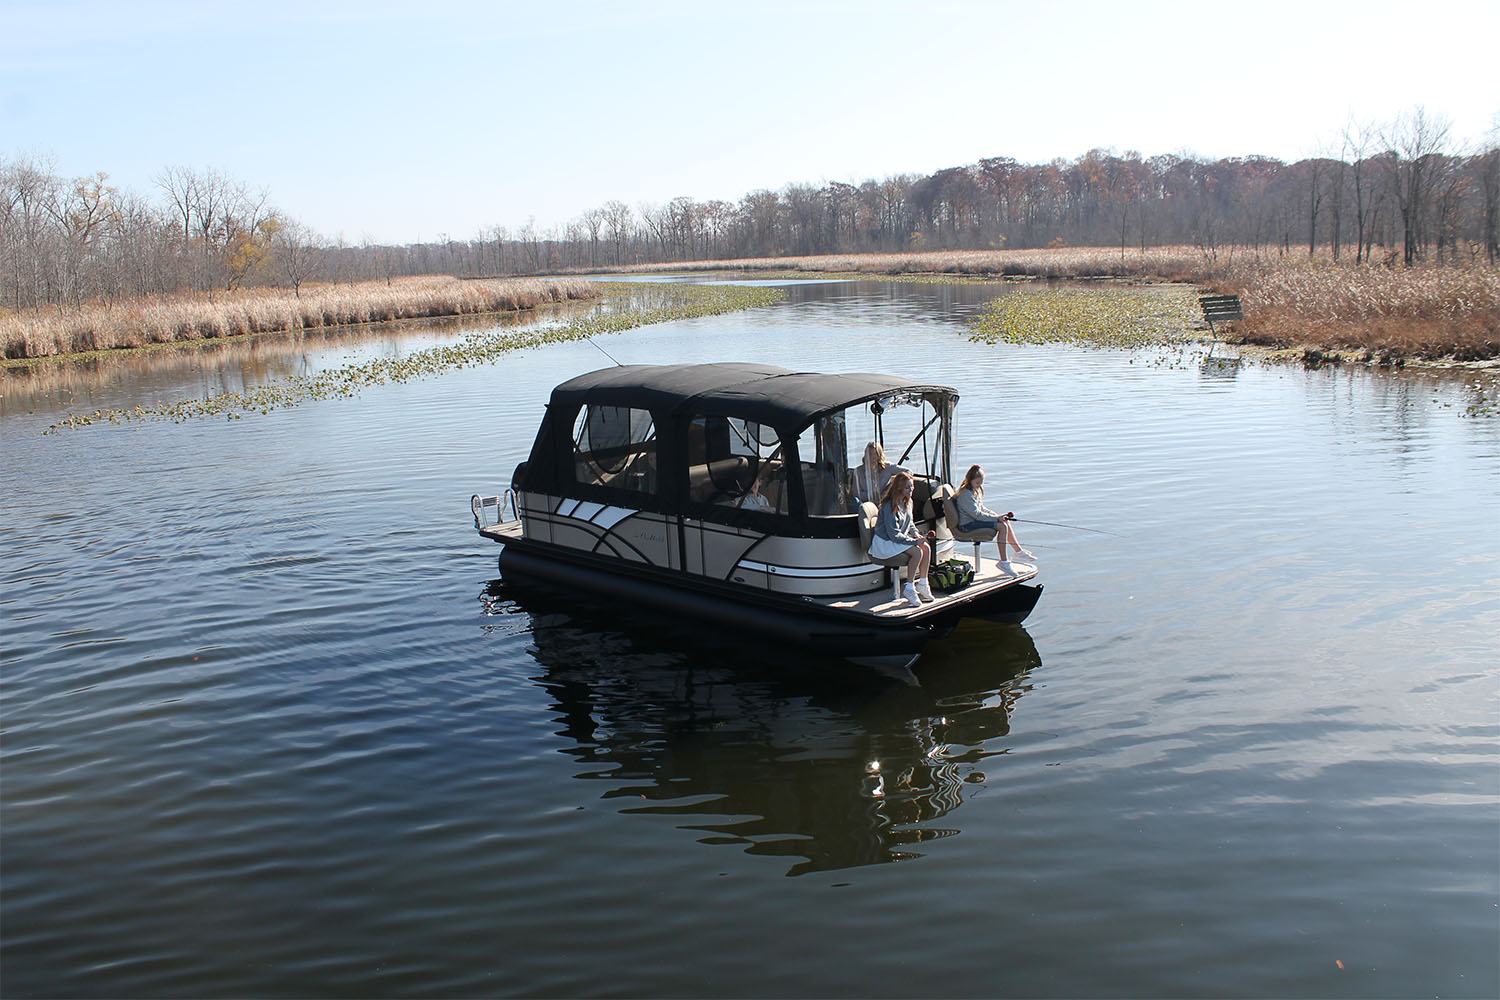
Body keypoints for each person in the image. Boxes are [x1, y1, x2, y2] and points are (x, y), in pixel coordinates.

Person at [870, 470, 934, 606]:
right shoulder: (888, 506)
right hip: (885, 542)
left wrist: (916, 534)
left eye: (912, 486)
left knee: (926, 548)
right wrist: (915, 541)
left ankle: (923, 583)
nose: (911, 489)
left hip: (898, 539)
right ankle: (909, 588)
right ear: (899, 488)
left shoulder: (908, 502)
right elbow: (894, 534)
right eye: (907, 487)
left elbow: (910, 523)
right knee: (917, 552)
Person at [954, 464, 1035, 571]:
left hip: (974, 521)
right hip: (967, 525)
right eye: (977, 483)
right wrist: (996, 519)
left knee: (1006, 522)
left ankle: (1018, 552)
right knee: (1002, 527)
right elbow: (977, 515)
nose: (979, 485)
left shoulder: (975, 491)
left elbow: (981, 508)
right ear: (970, 480)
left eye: (981, 483)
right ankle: (1004, 562)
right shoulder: (966, 495)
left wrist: (997, 516)